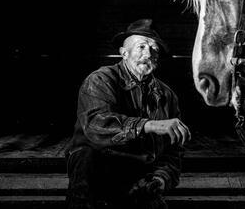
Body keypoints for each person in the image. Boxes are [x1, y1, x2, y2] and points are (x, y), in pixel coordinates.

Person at [65, 19, 191, 209]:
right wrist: (150, 125)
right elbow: (96, 124)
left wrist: (161, 179)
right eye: (141, 47)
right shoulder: (100, 80)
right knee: (87, 159)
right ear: (124, 53)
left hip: (137, 173)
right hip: (98, 169)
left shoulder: (167, 95)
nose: (148, 54)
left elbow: (173, 152)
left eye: (154, 49)